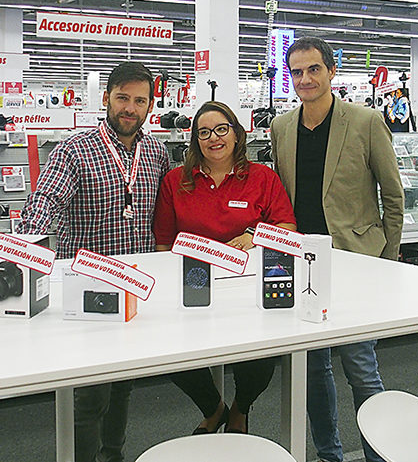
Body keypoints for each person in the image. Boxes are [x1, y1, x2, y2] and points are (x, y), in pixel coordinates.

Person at [16, 62, 168, 462]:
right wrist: (25, 245)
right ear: (106, 99)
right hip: (87, 287)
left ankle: (113, 456)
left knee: (122, 384)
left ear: (151, 105)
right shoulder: (75, 149)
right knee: (89, 393)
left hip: (133, 286)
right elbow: (46, 200)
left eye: (139, 101)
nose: (130, 109)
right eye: (123, 98)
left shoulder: (156, 152)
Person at [269, 37, 403, 462]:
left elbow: (393, 196)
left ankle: (378, 455)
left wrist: (388, 262)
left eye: (313, 69)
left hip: (357, 262)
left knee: (362, 370)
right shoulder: (282, 127)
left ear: (331, 72)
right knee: (313, 371)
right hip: (305, 266)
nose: (305, 79)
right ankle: (330, 454)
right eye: (297, 72)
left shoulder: (364, 121)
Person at [154, 100, 297, 435]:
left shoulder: (263, 177)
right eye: (204, 132)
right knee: (175, 355)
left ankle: (240, 408)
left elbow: (287, 226)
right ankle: (213, 408)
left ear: (236, 134)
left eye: (221, 129)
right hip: (192, 286)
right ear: (195, 140)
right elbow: (163, 240)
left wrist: (253, 234)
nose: (213, 138)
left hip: (248, 287)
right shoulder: (176, 181)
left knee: (260, 358)